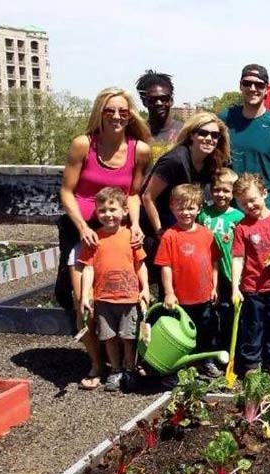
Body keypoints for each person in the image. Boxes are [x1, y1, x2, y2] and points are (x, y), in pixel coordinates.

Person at [58, 87, 151, 390]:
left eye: (122, 111)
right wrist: (82, 227)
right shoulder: (83, 145)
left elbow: (134, 193)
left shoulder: (139, 150)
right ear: (100, 112)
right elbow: (67, 191)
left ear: (130, 114)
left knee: (121, 293)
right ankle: (97, 363)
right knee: (82, 299)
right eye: (109, 110)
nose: (116, 116)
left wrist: (135, 224)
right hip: (82, 229)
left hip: (118, 230)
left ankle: (124, 362)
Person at [79, 187, 151, 392]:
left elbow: (140, 265)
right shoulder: (94, 239)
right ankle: (115, 370)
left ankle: (130, 368)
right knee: (109, 338)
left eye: (112, 209)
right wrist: (85, 294)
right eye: (102, 210)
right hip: (103, 299)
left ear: (124, 211)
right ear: (96, 212)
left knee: (128, 338)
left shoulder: (131, 236)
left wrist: (145, 288)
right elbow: (88, 268)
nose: (108, 215)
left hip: (128, 299)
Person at [231, 173, 270, 381]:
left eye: (252, 199)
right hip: (252, 287)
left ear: (264, 194)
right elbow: (238, 258)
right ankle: (251, 362)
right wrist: (235, 287)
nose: (249, 205)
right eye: (243, 203)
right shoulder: (242, 228)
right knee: (253, 326)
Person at [154, 184, 221, 378]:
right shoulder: (169, 236)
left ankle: (206, 361)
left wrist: (215, 287)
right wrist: (169, 292)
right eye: (180, 207)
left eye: (191, 208)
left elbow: (214, 262)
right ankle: (183, 365)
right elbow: (165, 266)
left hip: (204, 295)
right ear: (172, 208)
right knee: (182, 334)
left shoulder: (206, 234)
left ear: (199, 208)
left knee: (206, 330)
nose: (186, 212)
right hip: (181, 299)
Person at [220, 64, 270, 213]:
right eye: (247, 83)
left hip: (267, 208)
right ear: (240, 86)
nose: (252, 88)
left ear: (267, 89)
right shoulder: (224, 120)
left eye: (259, 85)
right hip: (229, 208)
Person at [142, 112, 231, 237]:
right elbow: (148, 196)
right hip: (163, 228)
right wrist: (159, 231)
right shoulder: (175, 160)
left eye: (215, 135)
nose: (209, 139)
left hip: (189, 228)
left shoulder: (212, 162)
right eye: (203, 133)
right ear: (192, 135)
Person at [197, 168, 245, 351]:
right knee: (209, 313)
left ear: (234, 193)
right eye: (216, 189)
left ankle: (229, 349)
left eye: (226, 190)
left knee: (228, 312)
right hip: (207, 271)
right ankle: (208, 351)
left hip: (229, 271)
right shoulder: (203, 214)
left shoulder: (238, 217)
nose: (220, 194)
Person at [135, 70, 182, 145]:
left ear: (171, 100)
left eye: (164, 99)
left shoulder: (184, 132)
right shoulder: (136, 133)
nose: (159, 103)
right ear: (144, 101)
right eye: (153, 99)